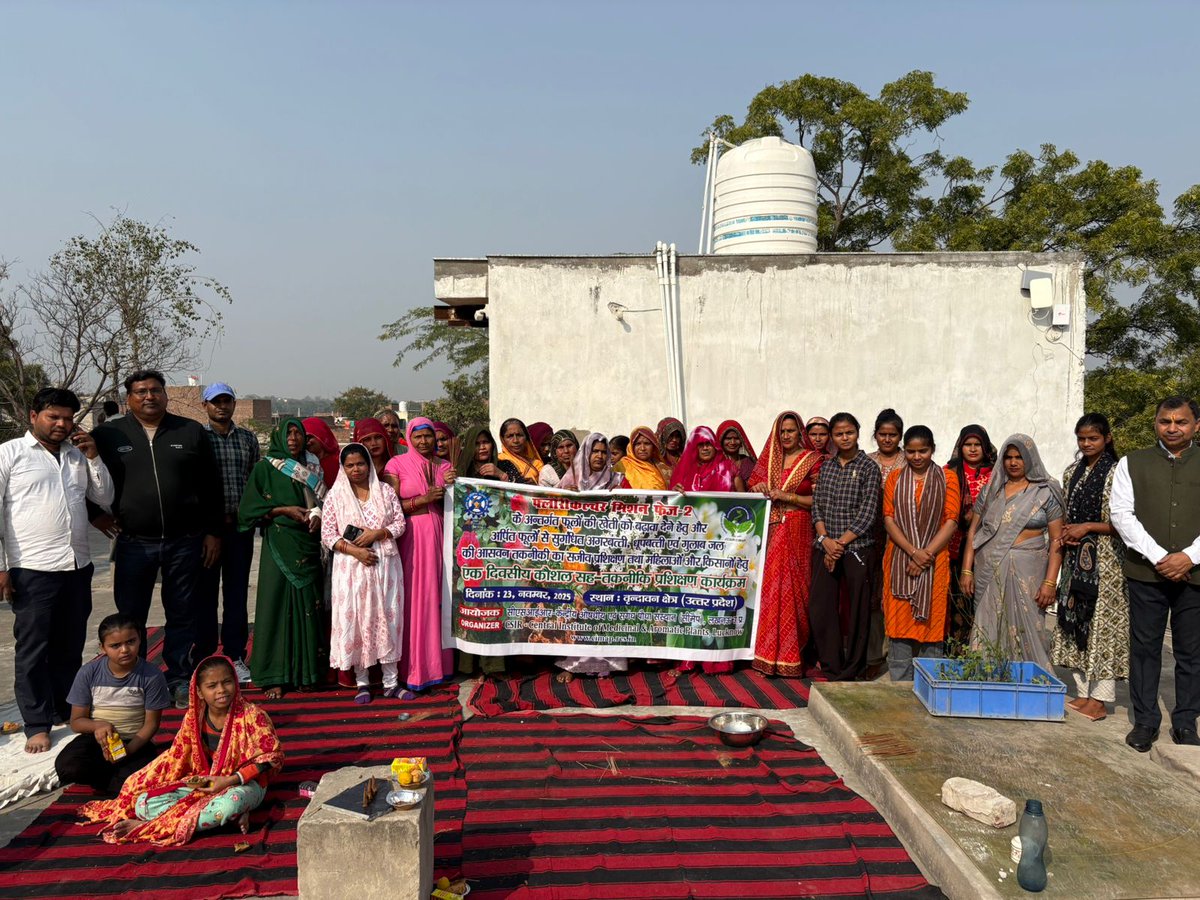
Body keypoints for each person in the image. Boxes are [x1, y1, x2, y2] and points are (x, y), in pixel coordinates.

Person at [91, 370, 223, 708]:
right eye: (141, 391)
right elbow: (86, 478)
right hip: (134, 541)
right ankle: (134, 679)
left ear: (165, 395)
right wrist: (96, 515)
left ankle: (178, 678)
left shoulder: (190, 431)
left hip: (185, 540)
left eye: (155, 390)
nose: (149, 396)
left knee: (181, 612)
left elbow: (211, 486)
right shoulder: (108, 434)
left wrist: (212, 532)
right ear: (128, 398)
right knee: (131, 614)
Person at [0, 388, 114, 753]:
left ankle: (66, 709)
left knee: (70, 644)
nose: (62, 424)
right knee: (33, 648)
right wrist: (1, 568)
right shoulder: (10, 455)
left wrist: (95, 457)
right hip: (32, 567)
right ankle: (36, 722)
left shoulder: (77, 456)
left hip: (77, 566)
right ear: (33, 416)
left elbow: (104, 498)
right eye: (54, 417)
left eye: (68, 418)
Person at [80, 655, 282, 847]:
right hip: (206, 779)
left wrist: (228, 781)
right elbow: (176, 756)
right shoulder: (194, 719)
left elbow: (271, 758)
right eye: (212, 686)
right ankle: (227, 818)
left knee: (229, 805)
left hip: (243, 784)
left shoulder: (253, 716)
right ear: (200, 692)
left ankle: (153, 826)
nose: (221, 690)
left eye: (227, 682)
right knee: (143, 803)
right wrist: (147, 780)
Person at [1110, 396, 1200, 750]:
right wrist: (1162, 556)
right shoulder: (1133, 463)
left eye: (1181, 422)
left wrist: (1188, 558)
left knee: (1191, 651)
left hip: (1195, 574)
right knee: (1145, 648)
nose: (1173, 428)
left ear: (1196, 425)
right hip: (1147, 572)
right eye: (1166, 421)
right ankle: (1145, 721)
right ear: (1156, 424)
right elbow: (1121, 514)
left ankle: (1186, 721)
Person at [238, 419, 326, 699]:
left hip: (309, 543)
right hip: (279, 543)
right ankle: (274, 675)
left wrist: (317, 515)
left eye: (297, 433)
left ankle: (306, 673)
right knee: (276, 606)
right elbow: (249, 510)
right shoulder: (266, 467)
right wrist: (282, 510)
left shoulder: (312, 467)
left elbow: (324, 502)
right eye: (287, 433)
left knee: (308, 607)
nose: (292, 438)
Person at [961, 434, 1064, 672]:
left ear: (1031, 459)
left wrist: (1050, 583)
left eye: (1019, 457)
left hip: (1029, 569)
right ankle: (985, 679)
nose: (1013, 462)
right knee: (987, 625)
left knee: (1028, 626)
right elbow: (973, 533)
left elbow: (1058, 541)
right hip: (990, 567)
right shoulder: (992, 490)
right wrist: (967, 570)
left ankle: (1030, 681)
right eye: (1008, 457)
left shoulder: (1046, 491)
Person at [1052, 413, 1128, 722]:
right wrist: (1071, 532)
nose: (1086, 444)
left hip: (1107, 561)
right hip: (1076, 559)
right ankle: (1083, 693)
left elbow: (1122, 520)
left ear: (1107, 438)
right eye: (1082, 439)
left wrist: (1086, 527)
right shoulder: (1074, 471)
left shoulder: (1117, 472)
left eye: (1093, 438)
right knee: (1075, 620)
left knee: (1101, 628)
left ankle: (1101, 699)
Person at [323, 444, 408, 704]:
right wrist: (356, 551)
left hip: (385, 567)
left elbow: (400, 524)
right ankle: (363, 683)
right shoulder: (335, 496)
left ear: (369, 463)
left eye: (360, 463)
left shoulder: (385, 491)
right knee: (358, 620)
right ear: (343, 468)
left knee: (389, 618)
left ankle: (391, 682)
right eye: (350, 465)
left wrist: (377, 533)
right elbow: (328, 535)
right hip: (352, 569)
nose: (356, 469)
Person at [55, 614, 169, 795]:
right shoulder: (88, 673)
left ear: (140, 639)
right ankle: (116, 782)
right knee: (67, 766)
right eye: (115, 646)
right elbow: (76, 721)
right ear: (102, 648)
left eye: (131, 641)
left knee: (145, 776)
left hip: (135, 741)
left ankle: (116, 781)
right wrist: (99, 725)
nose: (124, 650)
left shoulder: (152, 675)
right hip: (97, 742)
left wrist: (128, 751)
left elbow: (151, 724)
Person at [881, 426, 961, 680]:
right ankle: (900, 682)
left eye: (923, 451)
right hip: (900, 559)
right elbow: (889, 519)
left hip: (935, 561)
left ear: (933, 449)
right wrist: (913, 551)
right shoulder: (895, 478)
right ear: (905, 451)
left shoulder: (948, 478)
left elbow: (951, 521)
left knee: (932, 623)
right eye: (912, 451)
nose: (917, 457)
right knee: (898, 622)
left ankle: (930, 682)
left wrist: (926, 554)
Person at [748, 412, 823, 677]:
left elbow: (820, 499)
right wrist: (757, 487)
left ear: (800, 432)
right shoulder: (769, 461)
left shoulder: (813, 460)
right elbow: (751, 488)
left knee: (796, 592)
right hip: (772, 528)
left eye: (791, 431)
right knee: (772, 590)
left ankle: (792, 658)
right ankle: (766, 658)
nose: (787, 436)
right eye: (783, 431)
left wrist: (787, 496)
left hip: (799, 527)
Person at [385, 418, 456, 693]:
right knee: (415, 600)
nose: (424, 442)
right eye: (419, 437)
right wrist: (422, 500)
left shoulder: (445, 466)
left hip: (440, 533)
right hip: (412, 536)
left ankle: (440, 666)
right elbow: (391, 507)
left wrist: (452, 486)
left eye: (429, 436)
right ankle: (414, 668)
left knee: (439, 598)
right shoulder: (397, 465)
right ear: (409, 438)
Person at [195, 383, 260, 684]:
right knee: (205, 594)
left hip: (239, 526)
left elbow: (253, 479)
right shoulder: (197, 438)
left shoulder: (247, 439)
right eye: (215, 402)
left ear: (234, 404)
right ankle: (206, 655)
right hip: (207, 528)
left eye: (227, 401)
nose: (222, 407)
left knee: (236, 593)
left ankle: (235, 655)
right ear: (205, 405)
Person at [811, 413, 882, 681]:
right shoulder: (827, 467)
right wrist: (826, 541)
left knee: (857, 610)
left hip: (857, 547)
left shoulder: (868, 468)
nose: (844, 438)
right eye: (839, 433)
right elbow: (817, 506)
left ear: (858, 433)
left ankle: (853, 668)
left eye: (849, 432)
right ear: (832, 436)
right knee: (821, 607)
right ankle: (832, 666)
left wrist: (839, 545)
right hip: (825, 545)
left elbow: (867, 513)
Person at [555, 434, 626, 682]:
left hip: (608, 556)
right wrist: (567, 496)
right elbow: (549, 511)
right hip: (577, 556)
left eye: (603, 452)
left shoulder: (617, 481)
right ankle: (575, 664)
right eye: (594, 451)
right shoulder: (571, 480)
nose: (599, 456)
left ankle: (605, 662)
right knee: (578, 608)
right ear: (585, 454)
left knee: (603, 607)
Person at [944, 425, 997, 646]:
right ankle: (956, 652)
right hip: (955, 546)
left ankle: (984, 650)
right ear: (960, 446)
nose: (973, 449)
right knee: (957, 601)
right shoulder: (949, 471)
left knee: (986, 601)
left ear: (985, 447)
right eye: (968, 444)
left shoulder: (997, 473)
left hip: (988, 545)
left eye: (978, 445)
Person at [864, 408, 906, 679]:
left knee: (895, 591)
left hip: (900, 536)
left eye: (892, 435)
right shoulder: (866, 461)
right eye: (882, 434)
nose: (887, 439)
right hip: (869, 534)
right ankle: (873, 655)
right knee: (872, 595)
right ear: (875, 435)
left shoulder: (910, 460)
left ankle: (897, 653)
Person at [670, 426, 738, 492]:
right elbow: (671, 500)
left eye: (708, 444)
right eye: (701, 445)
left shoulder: (729, 468)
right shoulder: (684, 470)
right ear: (694, 448)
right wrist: (675, 492)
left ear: (715, 446)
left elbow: (743, 500)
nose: (705, 448)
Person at [456, 426, 520, 482]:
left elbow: (521, 491)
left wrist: (501, 475)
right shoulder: (462, 469)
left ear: (492, 444)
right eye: (477, 444)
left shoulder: (506, 466)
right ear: (469, 447)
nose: (482, 447)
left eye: (486, 442)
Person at [619, 426, 669, 491]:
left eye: (647, 444)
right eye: (638, 444)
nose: (642, 448)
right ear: (631, 447)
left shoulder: (662, 468)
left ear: (653, 446)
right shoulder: (622, 465)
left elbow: (670, 491)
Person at [497, 418, 543, 484]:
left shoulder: (537, 464)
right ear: (503, 439)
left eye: (519, 435)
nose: (515, 440)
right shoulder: (498, 460)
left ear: (526, 437)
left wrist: (535, 485)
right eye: (510, 436)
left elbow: (545, 490)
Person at [716, 419, 757, 492]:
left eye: (736, 438)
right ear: (721, 440)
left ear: (742, 441)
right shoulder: (716, 464)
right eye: (728, 438)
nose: (732, 442)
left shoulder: (749, 463)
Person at [354, 418, 397, 488]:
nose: (374, 443)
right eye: (367, 439)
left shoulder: (396, 465)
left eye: (378, 437)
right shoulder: (354, 469)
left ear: (385, 439)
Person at [302, 417, 341, 490]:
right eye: (304, 439)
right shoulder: (303, 463)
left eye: (309, 438)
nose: (307, 442)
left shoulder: (341, 461)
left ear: (321, 436)